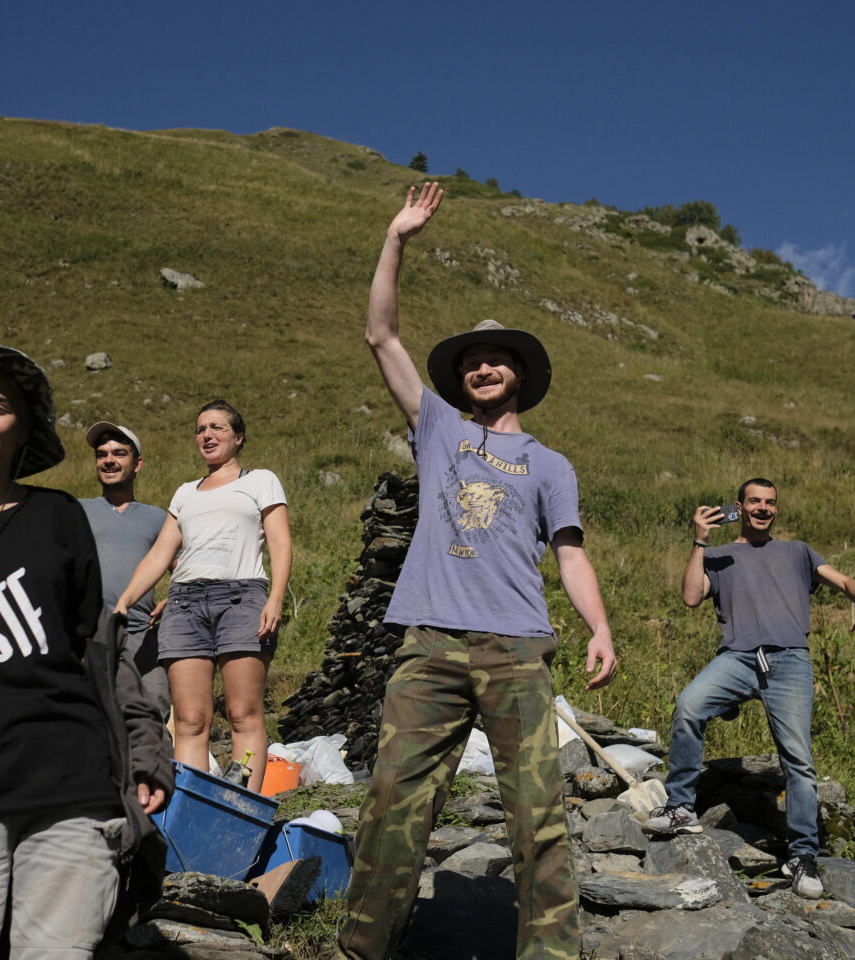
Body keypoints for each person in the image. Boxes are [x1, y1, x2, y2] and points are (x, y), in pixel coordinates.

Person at [337, 183, 618, 960]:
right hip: (428, 646)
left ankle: (552, 955)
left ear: (519, 375)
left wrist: (598, 627)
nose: (483, 367)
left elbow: (569, 551)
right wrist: (396, 238)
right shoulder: (436, 429)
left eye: (497, 359)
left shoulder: (549, 463)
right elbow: (380, 335)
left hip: (518, 650)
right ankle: (365, 948)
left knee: (538, 814)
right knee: (393, 802)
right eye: (472, 362)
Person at [0, 342, 171, 959]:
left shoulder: (58, 518)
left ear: (23, 428)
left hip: (69, 790)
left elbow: (97, 648)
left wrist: (145, 747)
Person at [643, 478, 855, 899]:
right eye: (755, 501)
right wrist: (699, 541)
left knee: (799, 761)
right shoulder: (717, 555)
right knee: (689, 706)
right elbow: (691, 597)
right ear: (739, 506)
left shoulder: (797, 551)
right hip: (737, 658)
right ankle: (681, 806)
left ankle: (803, 854)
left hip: (789, 660)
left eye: (770, 502)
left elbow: (843, 581)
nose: (763, 508)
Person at [114, 399, 291, 793]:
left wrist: (275, 598)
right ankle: (193, 808)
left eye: (217, 428)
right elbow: (162, 553)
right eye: (200, 429)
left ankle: (244, 805)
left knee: (243, 713)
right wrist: (125, 600)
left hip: (242, 600)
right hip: (184, 606)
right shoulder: (185, 493)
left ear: (238, 437)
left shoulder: (260, 480)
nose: (207, 435)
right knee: (191, 719)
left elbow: (279, 542)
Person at [81, 421, 169, 721]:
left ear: (138, 463)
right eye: (101, 454)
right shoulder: (75, 511)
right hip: (86, 634)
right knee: (88, 716)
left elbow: (186, 570)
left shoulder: (159, 518)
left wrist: (172, 600)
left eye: (119, 453)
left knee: (152, 710)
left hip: (140, 637)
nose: (108, 460)